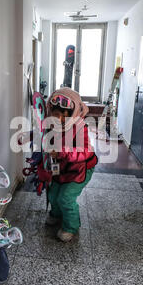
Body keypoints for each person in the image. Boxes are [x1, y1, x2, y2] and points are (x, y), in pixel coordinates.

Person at [42, 87, 98, 242]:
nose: (57, 119)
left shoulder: (80, 127)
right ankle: (57, 214)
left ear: (71, 114)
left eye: (61, 116)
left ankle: (70, 227)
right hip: (62, 167)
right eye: (54, 115)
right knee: (53, 194)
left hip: (81, 168)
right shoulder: (52, 124)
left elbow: (85, 151)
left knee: (65, 197)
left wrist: (61, 152)